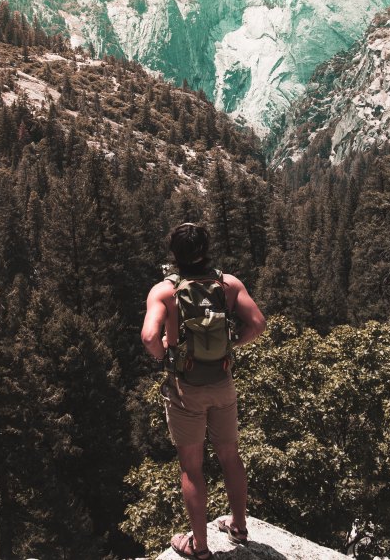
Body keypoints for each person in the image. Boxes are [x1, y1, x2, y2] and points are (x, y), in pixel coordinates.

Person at [141, 222, 266, 560]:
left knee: (191, 468)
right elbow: (258, 324)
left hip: (186, 389)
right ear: (207, 250)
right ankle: (238, 527)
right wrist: (232, 344)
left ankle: (200, 547)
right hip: (222, 383)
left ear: (174, 255)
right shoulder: (228, 285)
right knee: (230, 456)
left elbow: (150, 337)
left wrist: (166, 353)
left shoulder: (164, 292)